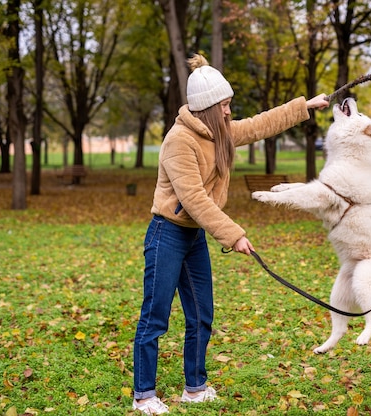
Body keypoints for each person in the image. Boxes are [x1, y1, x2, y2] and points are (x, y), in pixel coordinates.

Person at [132, 54, 329, 415]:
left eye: (228, 104)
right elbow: (192, 200)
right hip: (167, 234)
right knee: (155, 316)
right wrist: (234, 234)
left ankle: (194, 387)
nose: (228, 111)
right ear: (206, 107)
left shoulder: (220, 132)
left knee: (201, 314)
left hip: (193, 239)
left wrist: (305, 106)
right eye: (223, 105)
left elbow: (260, 125)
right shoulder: (179, 141)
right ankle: (144, 394)